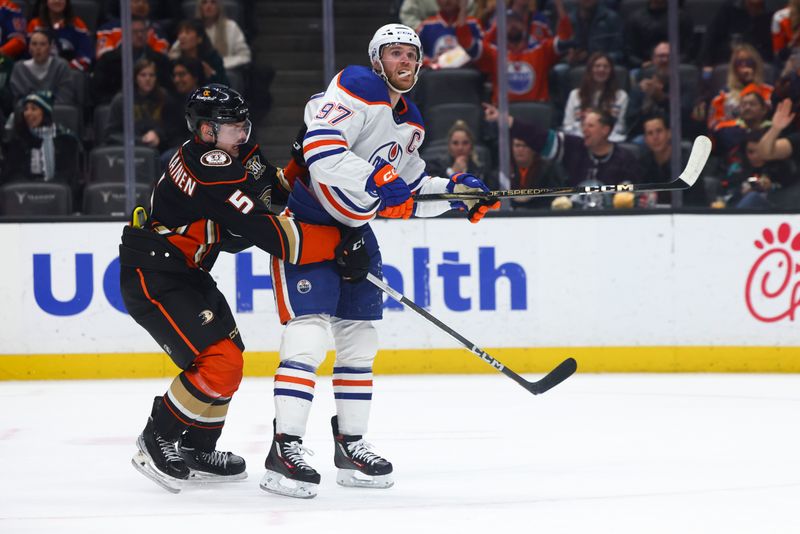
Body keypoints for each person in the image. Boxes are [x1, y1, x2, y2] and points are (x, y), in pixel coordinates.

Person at [259, 23, 499, 499]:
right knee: (307, 335)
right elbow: (321, 150)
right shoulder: (356, 85)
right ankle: (284, 449)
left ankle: (350, 445)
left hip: (353, 232)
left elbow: (406, 191)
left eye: (411, 54)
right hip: (307, 225)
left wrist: (455, 193)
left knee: (360, 339)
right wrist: (378, 175)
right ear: (377, 61)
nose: (404, 61)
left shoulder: (412, 122)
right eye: (394, 53)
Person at [119, 84, 362, 493]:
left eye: (244, 123)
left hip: (185, 272)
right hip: (154, 274)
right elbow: (266, 231)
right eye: (233, 126)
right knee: (219, 362)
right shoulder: (207, 165)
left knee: (230, 357)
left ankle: (197, 447)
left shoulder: (236, 152)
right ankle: (156, 437)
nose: (243, 132)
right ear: (207, 131)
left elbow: (270, 194)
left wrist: (301, 162)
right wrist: (338, 243)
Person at [485, 102, 643, 205]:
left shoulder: (625, 158)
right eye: (583, 125)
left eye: (590, 125)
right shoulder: (573, 147)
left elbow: (635, 196)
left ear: (605, 130)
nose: (584, 129)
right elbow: (538, 136)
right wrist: (505, 120)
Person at [455, 0, 573, 103]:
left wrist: (559, 5)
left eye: (516, 22)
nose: (512, 26)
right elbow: (465, 41)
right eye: (508, 23)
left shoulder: (541, 51)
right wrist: (463, 9)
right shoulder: (495, 54)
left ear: (524, 27)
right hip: (504, 117)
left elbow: (565, 37)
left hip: (535, 113)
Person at [104, 58, 184, 159]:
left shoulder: (165, 98)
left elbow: (174, 130)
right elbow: (111, 135)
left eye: (151, 75)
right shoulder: (122, 100)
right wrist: (140, 141)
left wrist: (158, 135)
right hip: (130, 153)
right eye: (143, 75)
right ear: (135, 78)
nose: (148, 79)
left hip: (161, 151)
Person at [1, 90, 80, 189]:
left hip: (57, 192)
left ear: (45, 112)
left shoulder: (66, 139)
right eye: (26, 109)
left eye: (34, 109)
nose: (28, 113)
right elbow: (12, 175)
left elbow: (69, 175)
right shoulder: (18, 140)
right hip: (26, 192)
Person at [91, 15, 173, 106]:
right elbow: (98, 91)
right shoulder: (108, 60)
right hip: (118, 106)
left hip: (153, 106)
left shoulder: (160, 60)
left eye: (143, 31)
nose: (140, 35)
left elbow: (168, 89)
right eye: (135, 32)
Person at [637, 114, 707, 207]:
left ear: (669, 133)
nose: (655, 137)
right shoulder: (642, 163)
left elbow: (697, 201)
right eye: (650, 133)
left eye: (659, 131)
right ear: (645, 139)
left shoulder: (688, 163)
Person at [561, 52, 629, 142]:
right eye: (597, 66)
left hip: (609, 141)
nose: (601, 69)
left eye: (606, 67)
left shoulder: (621, 96)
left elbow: (621, 127)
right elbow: (567, 125)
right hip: (580, 140)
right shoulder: (575, 95)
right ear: (590, 70)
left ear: (611, 71)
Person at [705, 43, 773, 131]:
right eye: (739, 63)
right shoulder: (724, 94)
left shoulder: (768, 91)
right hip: (734, 136)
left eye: (749, 62)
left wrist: (751, 83)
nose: (744, 66)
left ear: (756, 65)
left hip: (763, 134)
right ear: (734, 67)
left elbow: (772, 117)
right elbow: (713, 124)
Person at [9, 30, 78, 106]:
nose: (38, 48)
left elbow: (65, 96)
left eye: (43, 44)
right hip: (28, 113)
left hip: (56, 113)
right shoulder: (19, 68)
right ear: (29, 47)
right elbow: (18, 100)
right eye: (34, 44)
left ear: (50, 47)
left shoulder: (61, 66)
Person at [27, 0, 94, 72]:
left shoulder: (77, 25)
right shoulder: (35, 25)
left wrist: (64, 70)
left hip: (69, 74)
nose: (57, 1)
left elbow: (85, 57)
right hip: (39, 72)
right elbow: (27, 55)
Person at [415, 0, 482, 68]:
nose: (447, 0)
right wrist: (429, 62)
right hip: (435, 75)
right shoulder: (426, 25)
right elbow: (414, 53)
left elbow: (484, 55)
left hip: (466, 74)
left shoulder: (473, 24)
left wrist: (463, 10)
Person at [508, 136, 568, 210]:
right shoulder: (503, 171)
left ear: (533, 149)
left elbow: (555, 198)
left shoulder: (549, 170)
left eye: (525, 146)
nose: (520, 149)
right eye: (517, 145)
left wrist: (531, 198)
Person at [96, 0, 169, 59]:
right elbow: (104, 58)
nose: (141, 5)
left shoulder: (157, 32)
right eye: (136, 1)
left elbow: (161, 61)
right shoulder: (108, 30)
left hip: (147, 74)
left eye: (145, 2)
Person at [424, 119, 491, 182]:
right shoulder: (436, 166)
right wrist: (452, 172)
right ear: (449, 145)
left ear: (471, 146)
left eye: (465, 143)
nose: (460, 148)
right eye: (455, 143)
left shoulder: (481, 169)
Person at [564, 0, 624, 68]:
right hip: (575, 65)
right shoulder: (569, 20)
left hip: (603, 65)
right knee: (560, 69)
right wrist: (569, 58)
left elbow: (619, 53)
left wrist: (597, 59)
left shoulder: (611, 18)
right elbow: (559, 52)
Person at [169, 18, 228, 86]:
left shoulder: (213, 59)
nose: (182, 36)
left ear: (199, 39)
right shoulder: (176, 60)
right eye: (180, 33)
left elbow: (225, 86)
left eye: (187, 32)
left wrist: (211, 75)